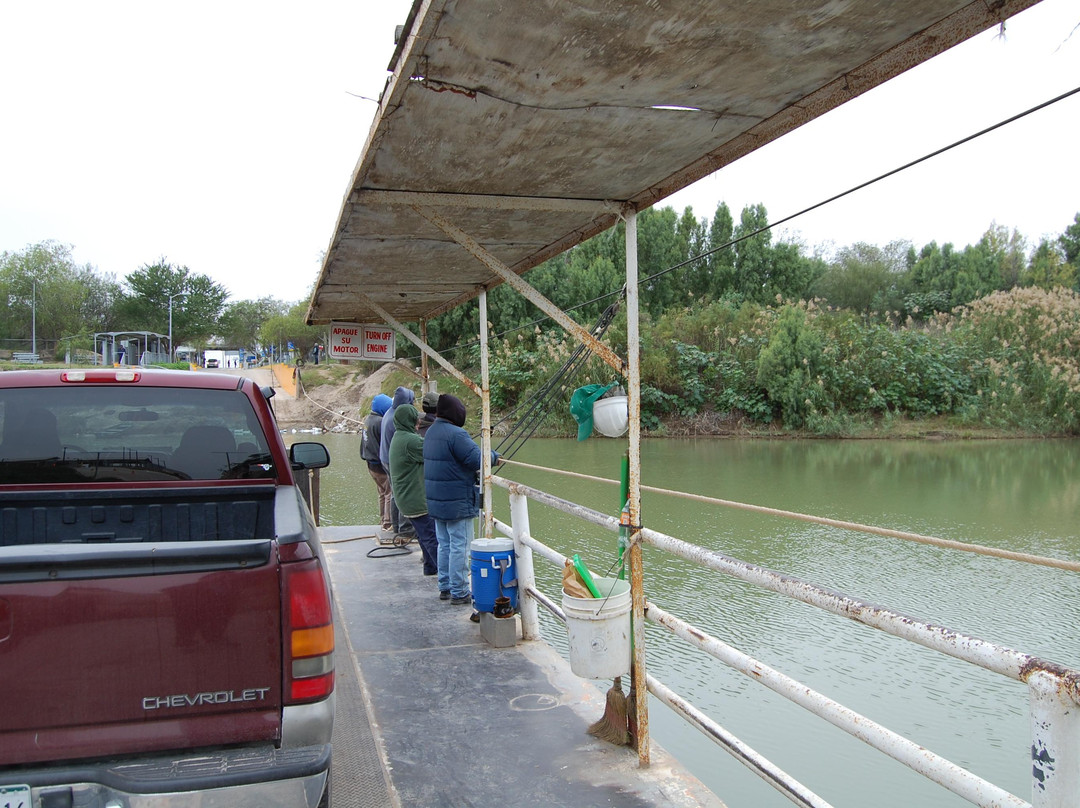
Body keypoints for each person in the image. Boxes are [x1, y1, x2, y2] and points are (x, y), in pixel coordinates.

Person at [423, 394, 499, 606]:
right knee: (460, 546)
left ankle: (445, 586)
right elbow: (478, 459)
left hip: (437, 501)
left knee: (445, 544)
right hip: (457, 502)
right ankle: (459, 591)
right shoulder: (456, 434)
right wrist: (493, 456)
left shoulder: (431, 432)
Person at [388, 403, 439, 576]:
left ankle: (430, 568)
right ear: (408, 420)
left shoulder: (399, 436)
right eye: (415, 419)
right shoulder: (410, 440)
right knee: (432, 537)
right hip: (415, 500)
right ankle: (445, 576)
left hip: (405, 498)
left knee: (424, 536)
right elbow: (435, 452)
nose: (418, 422)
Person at [380, 386, 417, 539]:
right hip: (394, 461)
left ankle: (396, 525)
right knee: (404, 492)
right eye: (412, 400)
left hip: (385, 458)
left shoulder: (389, 412)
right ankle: (405, 528)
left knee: (396, 492)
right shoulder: (398, 419)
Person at [360, 393, 393, 532]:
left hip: (370, 464)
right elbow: (385, 444)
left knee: (381, 493)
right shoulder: (380, 422)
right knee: (389, 493)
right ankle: (388, 523)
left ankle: (382, 520)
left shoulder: (368, 420)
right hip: (380, 466)